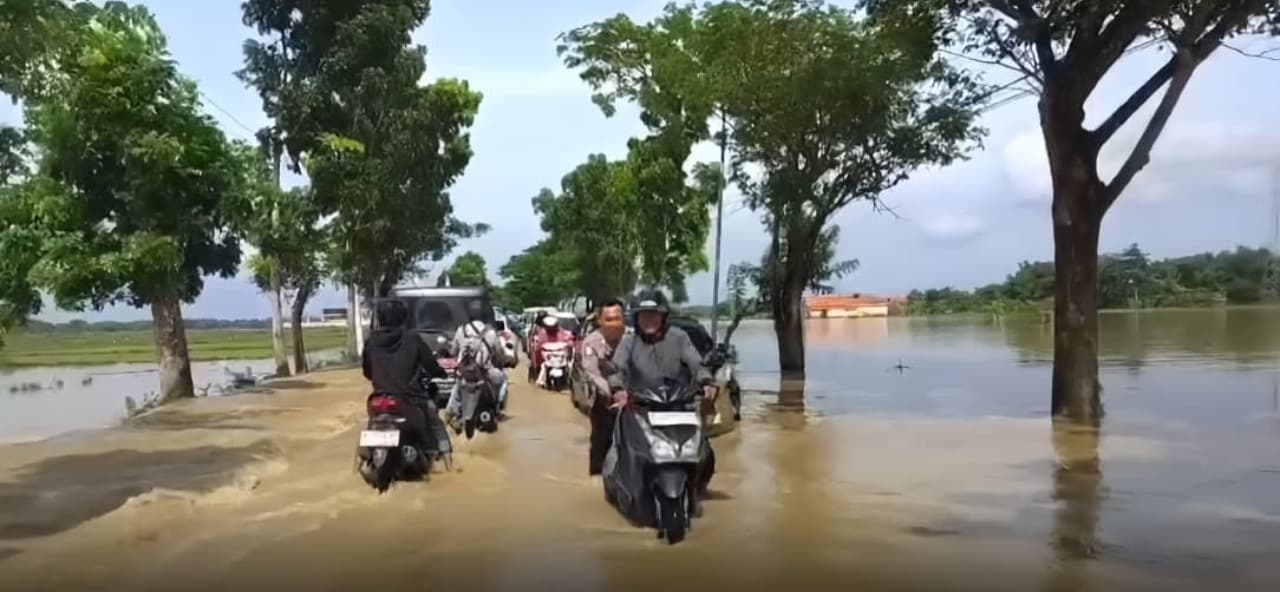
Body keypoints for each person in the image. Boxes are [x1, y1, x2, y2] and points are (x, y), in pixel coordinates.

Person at [362, 299, 452, 462]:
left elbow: (367, 372)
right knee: (433, 417)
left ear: (380, 318)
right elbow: (430, 364)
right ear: (403, 317)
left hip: (379, 398)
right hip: (411, 398)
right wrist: (440, 373)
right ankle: (446, 460)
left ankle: (365, 458)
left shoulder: (371, 342)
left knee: (371, 420)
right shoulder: (413, 339)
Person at [443, 300, 512, 432]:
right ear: (484, 315)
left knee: (457, 387)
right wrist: (506, 360)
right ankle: (497, 407)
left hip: (465, 374)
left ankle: (450, 413)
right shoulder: (491, 333)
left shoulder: (461, 330)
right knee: (503, 379)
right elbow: (499, 354)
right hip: (486, 373)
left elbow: (453, 351)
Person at [579, 299, 627, 475]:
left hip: (635, 397)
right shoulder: (591, 343)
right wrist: (614, 394)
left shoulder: (634, 338)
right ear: (600, 321)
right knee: (601, 439)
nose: (614, 324)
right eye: (609, 319)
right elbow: (592, 373)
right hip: (603, 398)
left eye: (617, 318)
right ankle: (598, 476)